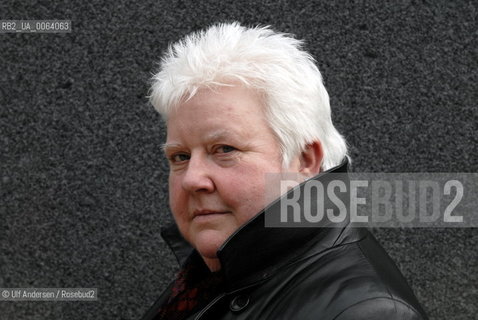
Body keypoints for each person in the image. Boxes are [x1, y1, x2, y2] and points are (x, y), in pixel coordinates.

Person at [141, 22, 428, 320]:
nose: (191, 179)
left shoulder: (369, 313)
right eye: (180, 156)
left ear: (304, 161)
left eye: (225, 149)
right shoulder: (213, 276)